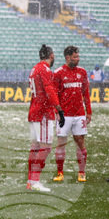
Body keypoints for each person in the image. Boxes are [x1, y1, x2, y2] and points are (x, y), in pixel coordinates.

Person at [26, 44, 65, 191]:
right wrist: (58, 108)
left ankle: (30, 181)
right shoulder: (45, 70)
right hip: (43, 112)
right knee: (46, 147)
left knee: (35, 147)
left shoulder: (34, 68)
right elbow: (49, 89)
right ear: (51, 55)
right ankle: (35, 181)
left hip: (35, 110)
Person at [51, 46, 90, 182]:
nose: (78, 59)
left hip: (79, 114)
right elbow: (54, 95)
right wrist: (57, 111)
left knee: (80, 142)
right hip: (64, 115)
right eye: (75, 57)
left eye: (78, 56)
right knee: (61, 143)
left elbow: (86, 93)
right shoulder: (58, 73)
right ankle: (60, 172)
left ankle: (82, 172)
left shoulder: (82, 72)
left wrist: (88, 112)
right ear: (68, 57)